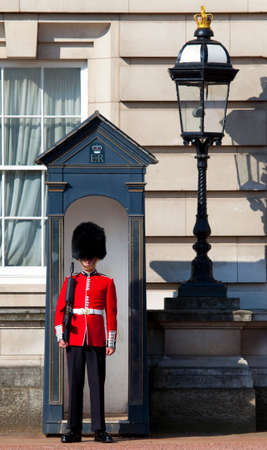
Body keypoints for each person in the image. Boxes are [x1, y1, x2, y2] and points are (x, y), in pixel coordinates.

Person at [54, 222, 117, 444]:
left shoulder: (106, 282)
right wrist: (61, 336)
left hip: (98, 338)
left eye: (91, 257)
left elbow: (111, 313)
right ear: (80, 257)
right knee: (75, 384)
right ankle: (73, 430)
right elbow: (60, 309)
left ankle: (99, 430)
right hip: (75, 337)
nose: (88, 260)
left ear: (97, 257)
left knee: (96, 384)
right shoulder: (70, 281)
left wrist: (111, 341)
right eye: (85, 257)